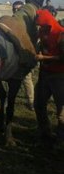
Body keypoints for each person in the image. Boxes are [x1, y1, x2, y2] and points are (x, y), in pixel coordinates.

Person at [33, 8, 64, 146]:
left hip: (59, 76)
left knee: (61, 110)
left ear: (48, 23)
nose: (41, 29)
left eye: (43, 26)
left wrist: (44, 57)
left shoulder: (60, 34)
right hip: (44, 74)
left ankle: (60, 139)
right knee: (39, 103)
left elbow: (63, 57)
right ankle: (44, 132)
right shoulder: (42, 31)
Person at [12, 1, 35, 109]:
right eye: (14, 9)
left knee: (26, 78)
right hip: (13, 55)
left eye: (18, 9)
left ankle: (31, 102)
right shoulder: (12, 21)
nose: (16, 11)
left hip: (25, 54)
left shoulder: (28, 23)